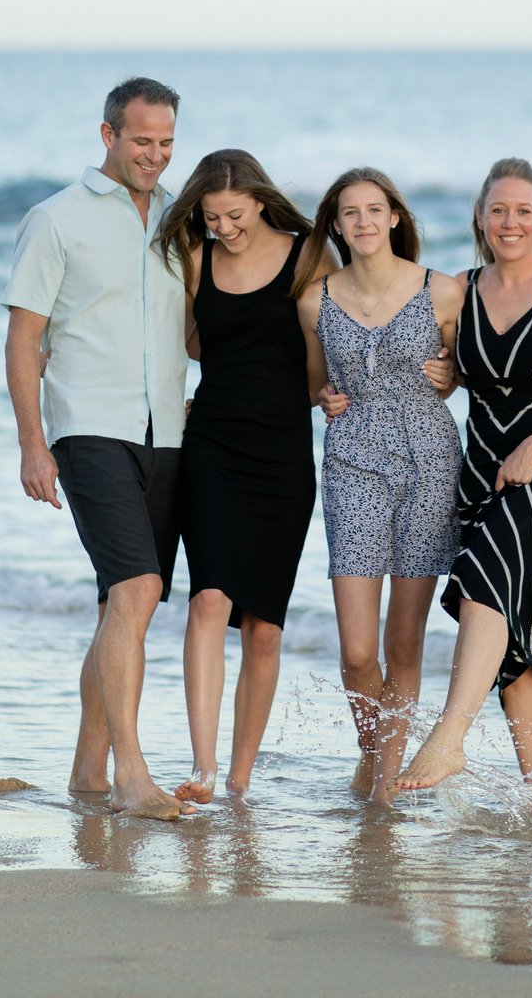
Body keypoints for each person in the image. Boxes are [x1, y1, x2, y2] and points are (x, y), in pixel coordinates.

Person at [1, 76, 192, 821]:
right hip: (88, 426)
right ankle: (133, 774)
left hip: (167, 433)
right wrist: (32, 445)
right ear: (108, 135)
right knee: (138, 591)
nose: (155, 155)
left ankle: (87, 769)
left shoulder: (181, 220)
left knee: (123, 604)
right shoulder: (56, 219)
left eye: (167, 143)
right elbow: (22, 339)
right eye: (142, 140)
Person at [397, 158, 532, 792]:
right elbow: (414, 349)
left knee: (485, 573)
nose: (510, 221)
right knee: (519, 633)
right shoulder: (461, 290)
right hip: (482, 477)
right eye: (498, 210)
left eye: (523, 210)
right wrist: (444, 377)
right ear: (480, 219)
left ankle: (447, 739)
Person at [154, 150, 337, 804]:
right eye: (210, 217)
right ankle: (202, 770)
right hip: (211, 444)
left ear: (261, 201)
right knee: (209, 600)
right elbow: (189, 342)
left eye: (234, 215)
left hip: (284, 453)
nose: (224, 228)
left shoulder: (312, 254)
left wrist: (328, 396)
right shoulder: (198, 259)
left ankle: (239, 781)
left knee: (264, 626)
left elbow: (327, 353)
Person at [296, 167, 465, 805]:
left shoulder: (442, 291)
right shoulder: (314, 300)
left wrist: (451, 379)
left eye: (375, 210)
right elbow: (316, 385)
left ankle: (383, 788)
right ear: (335, 224)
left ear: (395, 217)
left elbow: (465, 373)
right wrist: (323, 397)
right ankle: (373, 756)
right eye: (350, 212)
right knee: (360, 648)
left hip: (429, 460)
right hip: (352, 461)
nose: (363, 222)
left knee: (403, 642)